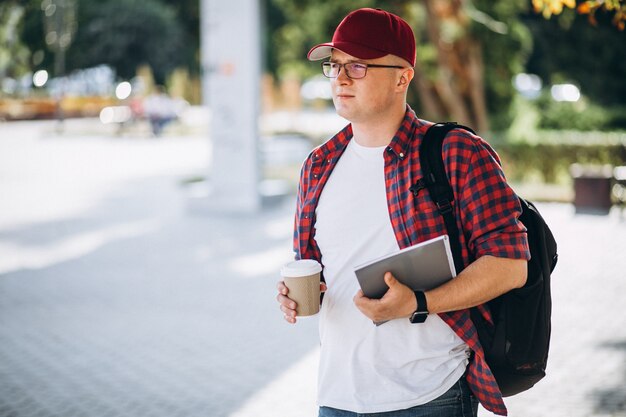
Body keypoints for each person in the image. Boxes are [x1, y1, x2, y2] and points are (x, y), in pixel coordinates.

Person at [276, 8, 529, 417]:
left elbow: (510, 265)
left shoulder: (456, 153)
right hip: (337, 397)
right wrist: (294, 296)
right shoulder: (317, 165)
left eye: (357, 66)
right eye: (335, 65)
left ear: (402, 76)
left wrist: (419, 303)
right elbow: (319, 272)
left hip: (431, 394)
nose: (340, 78)